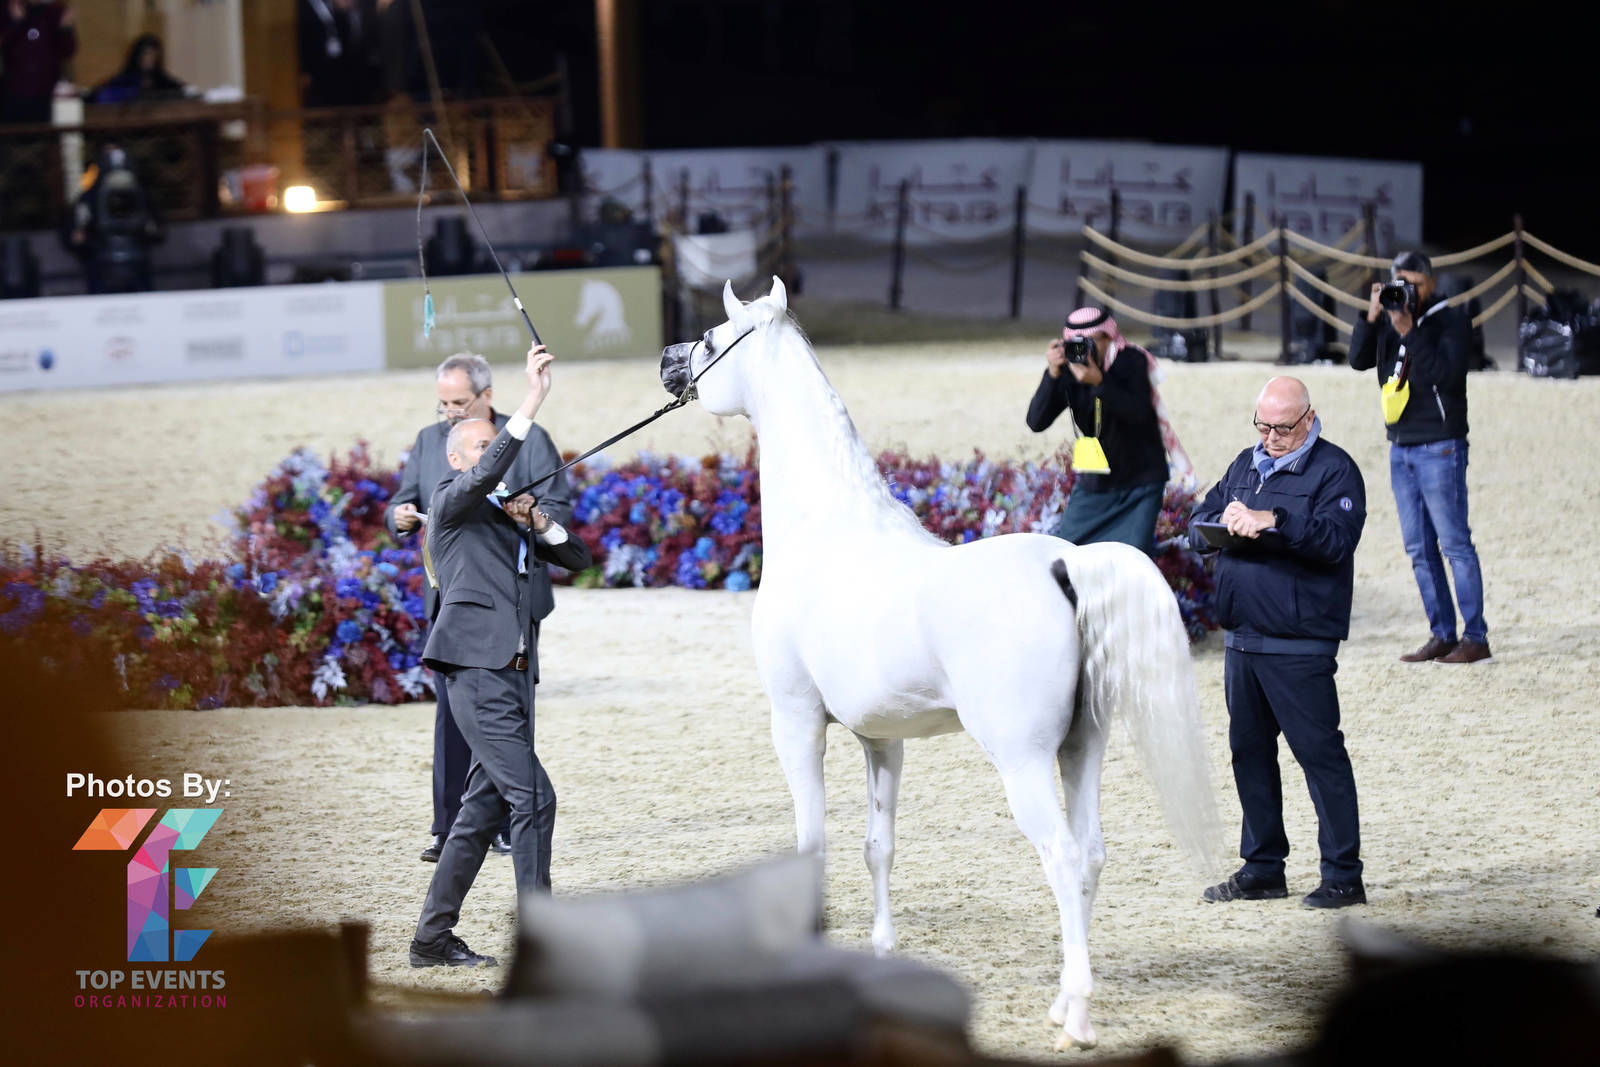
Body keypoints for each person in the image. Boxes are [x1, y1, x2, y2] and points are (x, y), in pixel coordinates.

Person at [411, 342, 591, 967]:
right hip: (478, 671)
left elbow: (577, 558)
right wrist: (533, 398)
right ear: (460, 460)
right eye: (484, 451)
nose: (498, 463)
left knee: (479, 812)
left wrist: (537, 521)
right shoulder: (450, 502)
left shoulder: (505, 512)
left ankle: (431, 940)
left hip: (514, 676)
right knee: (535, 798)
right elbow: (487, 471)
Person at [385, 352, 574, 863]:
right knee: (455, 719)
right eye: (442, 402)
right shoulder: (434, 442)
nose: (448, 411)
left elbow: (559, 507)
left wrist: (533, 517)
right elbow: (424, 494)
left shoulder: (531, 440)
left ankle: (503, 818)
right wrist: (398, 516)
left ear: (487, 397)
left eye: (459, 402)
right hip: (456, 602)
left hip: (515, 601)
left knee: (509, 718)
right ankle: (449, 826)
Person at [1190, 376, 1368, 910]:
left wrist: (1274, 521)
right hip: (1242, 636)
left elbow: (1336, 541)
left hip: (1299, 641)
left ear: (1308, 419)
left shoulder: (1336, 469)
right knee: (1249, 754)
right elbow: (1198, 522)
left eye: (1283, 428)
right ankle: (1263, 867)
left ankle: (1343, 876)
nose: (1270, 437)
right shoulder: (1244, 464)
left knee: (1320, 758)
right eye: (1263, 426)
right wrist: (1216, 525)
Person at [1349, 250, 1490, 664]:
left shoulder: (1452, 320)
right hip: (1401, 446)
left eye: (1415, 283)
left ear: (1431, 283)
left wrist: (1409, 331)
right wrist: (1373, 316)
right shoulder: (1392, 316)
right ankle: (1442, 634)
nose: (1408, 291)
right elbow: (1358, 360)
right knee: (1418, 548)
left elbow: (1443, 375)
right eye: (1401, 283)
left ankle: (1476, 637)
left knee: (1454, 544)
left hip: (1440, 445)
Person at [1026, 306, 1192, 553]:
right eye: (1075, 344)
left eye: (1089, 342)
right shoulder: (1070, 369)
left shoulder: (1131, 359)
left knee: (1132, 559)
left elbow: (1138, 413)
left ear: (1108, 336)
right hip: (1096, 482)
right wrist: (1052, 374)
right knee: (1067, 551)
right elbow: (1036, 422)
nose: (1083, 351)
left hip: (1140, 481)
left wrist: (1099, 383)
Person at [62, 143, 163, 293]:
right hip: (100, 257)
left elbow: (156, 227)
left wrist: (147, 231)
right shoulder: (90, 198)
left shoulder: (141, 194)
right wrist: (84, 239)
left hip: (137, 255)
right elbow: (75, 234)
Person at [1, 0, 75, 125]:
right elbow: (4, 43)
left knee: (44, 133)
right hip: (13, 91)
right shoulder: (9, 8)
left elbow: (67, 51)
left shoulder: (54, 12)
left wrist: (65, 29)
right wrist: (16, 22)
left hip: (45, 91)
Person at [88, 34, 187, 104]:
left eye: (153, 55)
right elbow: (97, 94)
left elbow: (182, 89)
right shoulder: (126, 78)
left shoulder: (160, 78)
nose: (150, 59)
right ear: (137, 55)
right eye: (146, 54)